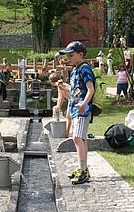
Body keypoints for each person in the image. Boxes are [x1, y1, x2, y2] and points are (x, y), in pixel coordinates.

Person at [59, 41, 95, 185]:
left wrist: (84, 104)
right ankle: (83, 169)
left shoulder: (84, 68)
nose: (69, 58)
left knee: (77, 138)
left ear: (81, 55)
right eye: (68, 55)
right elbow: (76, 89)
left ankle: (82, 171)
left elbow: (90, 89)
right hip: (76, 110)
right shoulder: (75, 69)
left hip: (82, 110)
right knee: (81, 139)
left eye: (71, 55)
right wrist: (65, 86)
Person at [49, 72, 72, 137]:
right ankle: (67, 132)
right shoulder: (60, 85)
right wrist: (58, 106)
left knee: (70, 117)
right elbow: (61, 97)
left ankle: (68, 132)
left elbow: (61, 97)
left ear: (52, 82)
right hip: (71, 100)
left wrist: (58, 106)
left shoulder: (61, 85)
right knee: (68, 117)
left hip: (74, 100)